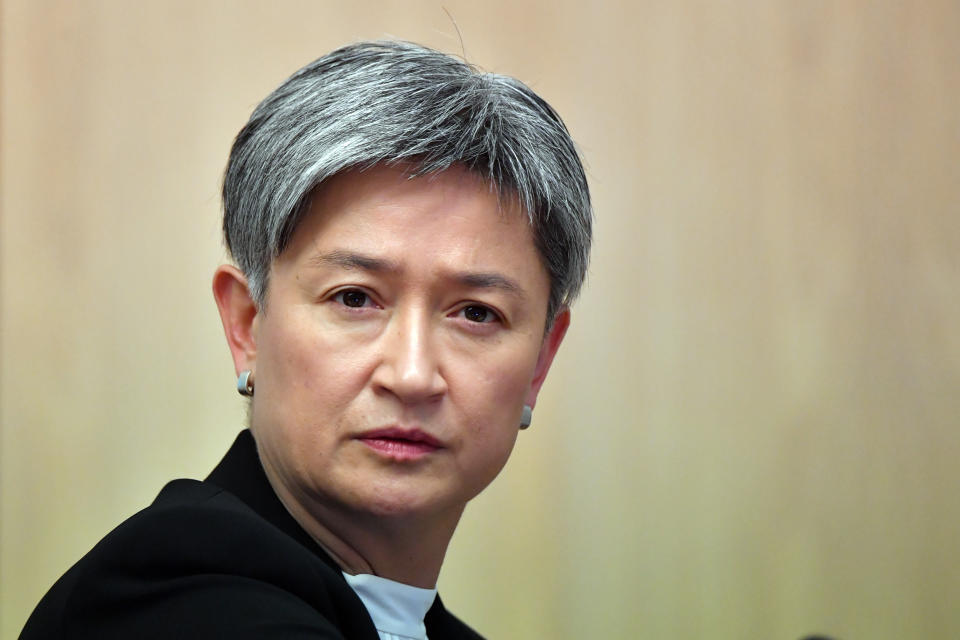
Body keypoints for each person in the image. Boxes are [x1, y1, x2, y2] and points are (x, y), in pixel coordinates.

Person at [20, 40, 592, 639]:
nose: (413, 374)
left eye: (476, 313)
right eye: (354, 298)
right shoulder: (171, 600)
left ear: (539, 364)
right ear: (247, 326)